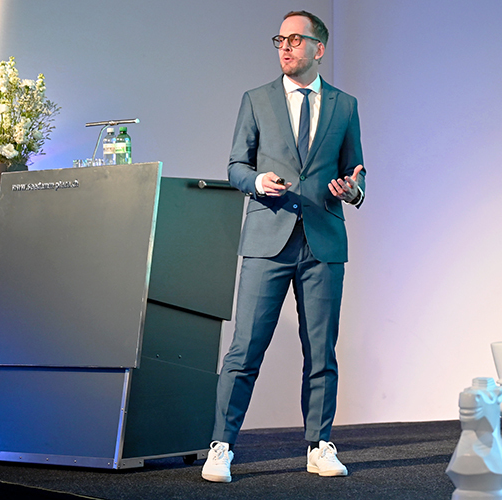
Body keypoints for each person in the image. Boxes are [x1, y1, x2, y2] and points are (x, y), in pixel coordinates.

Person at [201, 10, 366, 484]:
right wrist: (257, 181)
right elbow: (236, 166)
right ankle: (221, 446)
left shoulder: (345, 106)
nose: (286, 46)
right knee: (244, 350)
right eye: (281, 39)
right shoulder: (256, 100)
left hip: (323, 242)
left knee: (321, 352)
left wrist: (352, 190)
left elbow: (356, 171)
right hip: (267, 240)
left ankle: (319, 445)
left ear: (319, 48)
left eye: (296, 39)